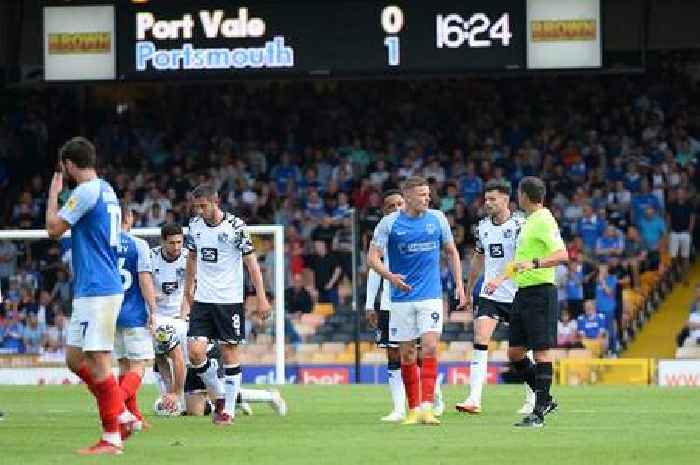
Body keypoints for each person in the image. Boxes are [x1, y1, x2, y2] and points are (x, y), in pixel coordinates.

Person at [45, 137, 132, 454]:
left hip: (99, 287)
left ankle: (112, 436)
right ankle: (121, 410)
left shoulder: (85, 192)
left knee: (97, 361)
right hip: (92, 287)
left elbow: (53, 229)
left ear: (68, 165)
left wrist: (54, 193)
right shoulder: (106, 189)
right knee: (74, 357)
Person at [368, 176, 466, 426]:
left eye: (427, 194)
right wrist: (390, 277)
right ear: (408, 196)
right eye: (422, 194)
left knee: (431, 346)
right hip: (400, 298)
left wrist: (460, 286)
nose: (427, 198)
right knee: (407, 353)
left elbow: (452, 251)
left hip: (430, 296)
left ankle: (427, 406)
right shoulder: (389, 224)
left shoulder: (437, 219)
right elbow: (372, 258)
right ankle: (413, 409)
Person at [181, 183, 271, 425]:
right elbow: (191, 257)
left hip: (229, 301)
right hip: (203, 299)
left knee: (229, 352)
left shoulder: (236, 227)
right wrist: (188, 288)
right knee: (195, 352)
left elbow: (252, 264)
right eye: (196, 206)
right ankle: (219, 395)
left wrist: (261, 297)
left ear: (215, 201)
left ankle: (228, 410)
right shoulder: (194, 226)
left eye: (203, 206)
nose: (199, 211)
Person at [485, 176, 569, 428]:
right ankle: (546, 399)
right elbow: (519, 259)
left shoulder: (544, 219)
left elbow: (562, 254)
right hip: (523, 291)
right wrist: (500, 279)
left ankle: (539, 412)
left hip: (540, 291)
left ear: (523, 195)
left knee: (541, 351)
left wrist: (535, 263)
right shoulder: (530, 221)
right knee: (515, 352)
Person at [455, 179, 535, 415]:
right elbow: (479, 258)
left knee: (523, 349)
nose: (488, 203)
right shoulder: (482, 227)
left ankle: (533, 397)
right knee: (480, 338)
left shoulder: (521, 224)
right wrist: (469, 291)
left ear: (506, 200)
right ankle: (474, 398)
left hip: (518, 293)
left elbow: (524, 258)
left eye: (493, 199)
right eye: (486, 199)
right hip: (490, 295)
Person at [113, 204, 157, 431]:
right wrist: (153, 310)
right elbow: (144, 280)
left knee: (124, 365)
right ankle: (115, 405)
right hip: (134, 314)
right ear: (129, 217)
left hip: (110, 314)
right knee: (140, 365)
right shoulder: (138, 244)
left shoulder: (104, 244)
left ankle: (134, 417)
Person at [365, 189, 407, 422]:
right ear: (384, 212)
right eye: (391, 206)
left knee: (416, 353)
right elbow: (374, 268)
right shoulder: (383, 230)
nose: (397, 208)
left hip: (415, 299)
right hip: (390, 302)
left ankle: (431, 399)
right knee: (393, 354)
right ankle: (399, 408)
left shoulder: (418, 225)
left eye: (400, 203)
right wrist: (370, 304)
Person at [150, 223, 189, 414]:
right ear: (163, 241)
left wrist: (184, 316)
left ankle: (178, 395)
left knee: (187, 361)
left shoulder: (189, 257)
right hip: (158, 316)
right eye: (172, 243)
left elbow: (191, 289)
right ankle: (171, 397)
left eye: (179, 242)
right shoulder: (151, 257)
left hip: (180, 317)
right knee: (161, 356)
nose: (176, 247)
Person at [666, 187, 695, 285]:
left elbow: (692, 218)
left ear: (685, 194)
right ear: (676, 194)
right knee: (673, 257)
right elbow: (668, 218)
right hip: (674, 233)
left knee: (685, 257)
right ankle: (676, 273)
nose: (679, 194)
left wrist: (690, 231)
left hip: (685, 233)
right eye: (678, 193)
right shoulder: (671, 205)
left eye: (681, 193)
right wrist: (669, 230)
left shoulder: (689, 205)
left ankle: (685, 277)